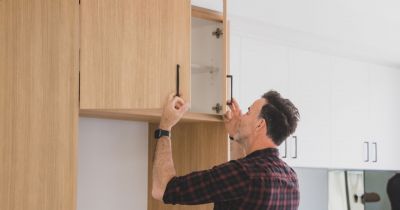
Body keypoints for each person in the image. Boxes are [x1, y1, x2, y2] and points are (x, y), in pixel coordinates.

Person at [151, 90, 300, 210]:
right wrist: (235, 136)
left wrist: (165, 127)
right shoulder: (291, 179)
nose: (241, 116)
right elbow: (240, 188)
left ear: (260, 124)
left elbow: (162, 189)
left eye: (248, 112)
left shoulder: (244, 174)